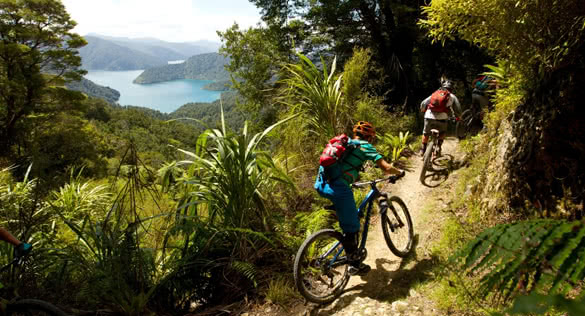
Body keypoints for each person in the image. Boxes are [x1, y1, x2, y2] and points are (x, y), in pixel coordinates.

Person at [314, 121, 405, 276]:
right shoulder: (365, 146)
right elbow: (386, 167)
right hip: (339, 190)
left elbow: (342, 167)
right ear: (369, 137)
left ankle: (348, 243)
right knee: (352, 227)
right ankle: (354, 263)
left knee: (353, 215)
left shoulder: (346, 144)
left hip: (322, 184)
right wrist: (399, 172)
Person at [419, 79, 460, 157]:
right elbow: (458, 109)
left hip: (429, 116)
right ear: (451, 88)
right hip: (442, 118)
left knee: (425, 133)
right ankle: (438, 147)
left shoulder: (435, 93)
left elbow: (423, 103)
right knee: (442, 132)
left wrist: (423, 110)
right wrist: (459, 117)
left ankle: (423, 149)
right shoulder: (452, 96)